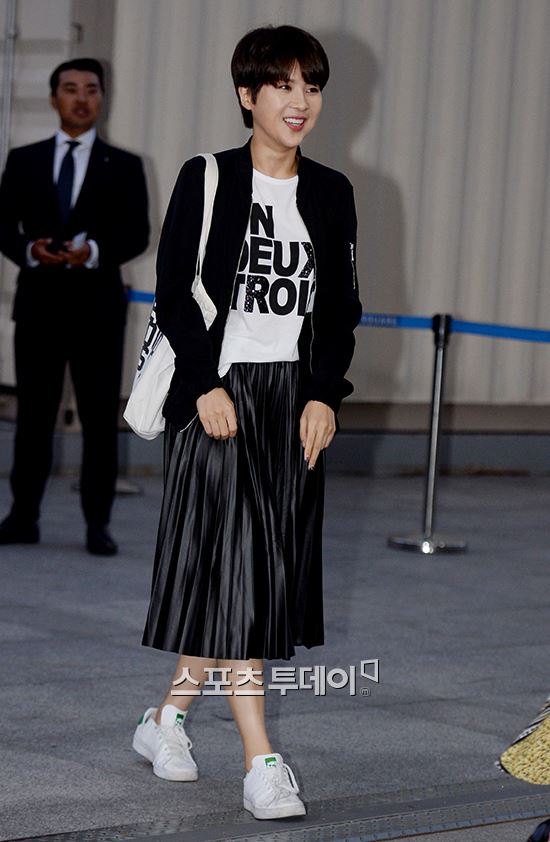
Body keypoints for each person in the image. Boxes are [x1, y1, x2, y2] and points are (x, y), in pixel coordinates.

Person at [132, 26, 362, 819]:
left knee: (249, 575)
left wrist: (325, 394)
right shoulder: (208, 177)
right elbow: (172, 290)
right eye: (284, 85)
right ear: (247, 94)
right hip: (218, 396)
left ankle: (166, 719)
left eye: (312, 86)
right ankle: (262, 762)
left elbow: (340, 308)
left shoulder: (331, 192)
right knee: (242, 573)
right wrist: (203, 385)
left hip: (291, 402)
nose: (301, 102)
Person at [0, 57, 149, 556]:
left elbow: (138, 233)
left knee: (99, 421)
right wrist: (29, 250)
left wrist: (96, 252)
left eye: (91, 89)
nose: (81, 98)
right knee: (34, 420)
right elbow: (3, 226)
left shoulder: (125, 165)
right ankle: (22, 517)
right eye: (70, 89)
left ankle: (97, 525)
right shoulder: (23, 160)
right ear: (53, 98)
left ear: (102, 98)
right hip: (38, 308)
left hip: (98, 312)